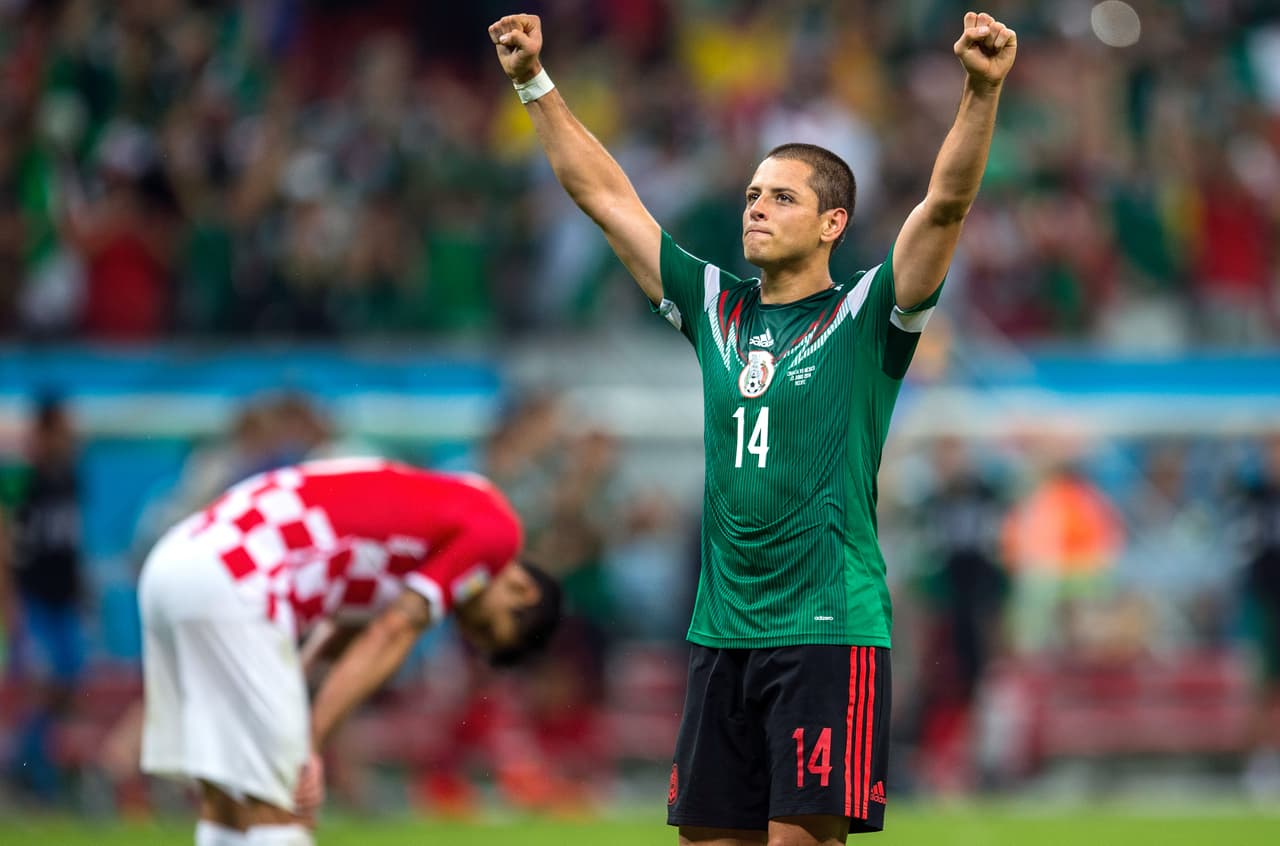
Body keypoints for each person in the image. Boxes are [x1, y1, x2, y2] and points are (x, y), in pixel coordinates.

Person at [489, 10, 1016, 844]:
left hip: (826, 631)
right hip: (722, 632)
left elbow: (945, 207)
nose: (757, 209)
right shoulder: (715, 307)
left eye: (782, 197)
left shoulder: (866, 315)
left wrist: (980, 92)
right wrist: (533, 83)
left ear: (833, 223)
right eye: (751, 196)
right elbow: (607, 199)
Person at [138, 457, 561, 846]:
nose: (462, 620)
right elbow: (394, 630)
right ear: (522, 589)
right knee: (282, 802)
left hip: (178, 560)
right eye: (485, 626)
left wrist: (293, 712)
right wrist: (308, 743)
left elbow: (347, 633)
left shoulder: (434, 516)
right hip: (237, 577)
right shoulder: (498, 534)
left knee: (228, 798)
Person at [2, 397, 87, 802]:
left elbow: (73, 542)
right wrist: (10, 603)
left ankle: (45, 768)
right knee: (38, 682)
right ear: (46, 432)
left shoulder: (71, 477)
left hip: (63, 599)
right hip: (33, 598)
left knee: (68, 684)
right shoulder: (23, 479)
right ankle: (27, 771)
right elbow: (6, 543)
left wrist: (83, 593)